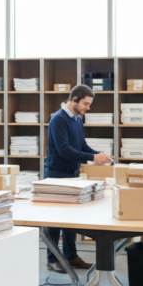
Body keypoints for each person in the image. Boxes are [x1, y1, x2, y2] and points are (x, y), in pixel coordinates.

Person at [43, 85, 112, 273]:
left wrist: (98, 155)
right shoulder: (58, 119)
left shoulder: (77, 119)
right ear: (74, 99)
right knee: (54, 221)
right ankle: (52, 259)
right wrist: (92, 157)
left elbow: (82, 145)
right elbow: (64, 150)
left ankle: (71, 256)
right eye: (86, 104)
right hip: (56, 175)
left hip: (72, 174)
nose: (88, 108)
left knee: (70, 220)